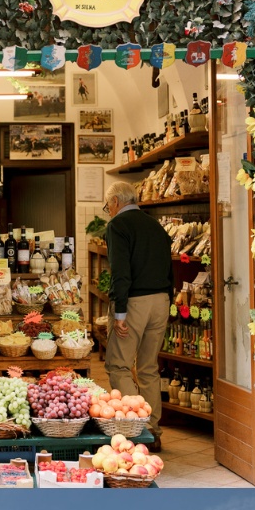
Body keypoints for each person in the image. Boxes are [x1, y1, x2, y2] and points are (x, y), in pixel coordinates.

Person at [102, 180, 173, 449]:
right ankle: (153, 431)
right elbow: (169, 269)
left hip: (134, 303)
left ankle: (135, 428)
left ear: (117, 202)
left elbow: (120, 272)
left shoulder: (118, 226)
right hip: (161, 300)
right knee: (148, 367)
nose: (108, 210)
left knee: (119, 365)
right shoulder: (155, 225)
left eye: (108, 205)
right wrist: (167, 299)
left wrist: (120, 313)